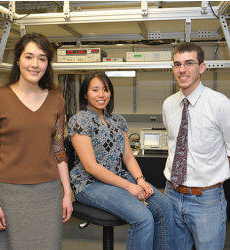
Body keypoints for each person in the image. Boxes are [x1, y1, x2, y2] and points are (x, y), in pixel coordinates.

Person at [0, 33, 73, 250]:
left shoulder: (56, 100)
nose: (35, 64)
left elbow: (60, 152)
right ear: (18, 60)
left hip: (48, 194)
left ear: (48, 64)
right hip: (9, 195)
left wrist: (67, 194)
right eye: (29, 57)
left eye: (42, 58)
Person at [68, 72, 175, 250]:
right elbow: (91, 167)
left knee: (165, 208)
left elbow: (128, 156)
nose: (102, 95)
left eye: (106, 89)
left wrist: (141, 180)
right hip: (90, 184)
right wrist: (130, 186)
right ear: (85, 94)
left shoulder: (118, 120)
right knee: (142, 217)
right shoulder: (79, 121)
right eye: (95, 90)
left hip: (119, 177)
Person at [163, 42, 230, 250]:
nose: (182, 70)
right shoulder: (168, 104)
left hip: (207, 200)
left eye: (189, 63)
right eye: (177, 64)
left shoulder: (220, 104)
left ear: (202, 67)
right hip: (172, 195)